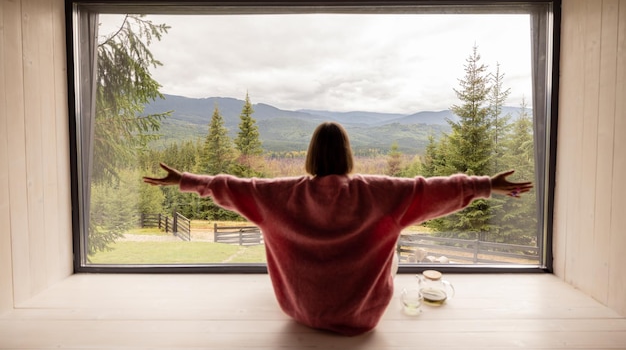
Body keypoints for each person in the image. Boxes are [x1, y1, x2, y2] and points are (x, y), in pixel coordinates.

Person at [143, 121, 533, 336]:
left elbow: (227, 185)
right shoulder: (380, 193)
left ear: (311, 156)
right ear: (348, 155)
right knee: (390, 234)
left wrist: (183, 179)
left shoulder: (276, 196)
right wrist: (486, 185)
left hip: (298, 311)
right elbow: (432, 189)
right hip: (363, 319)